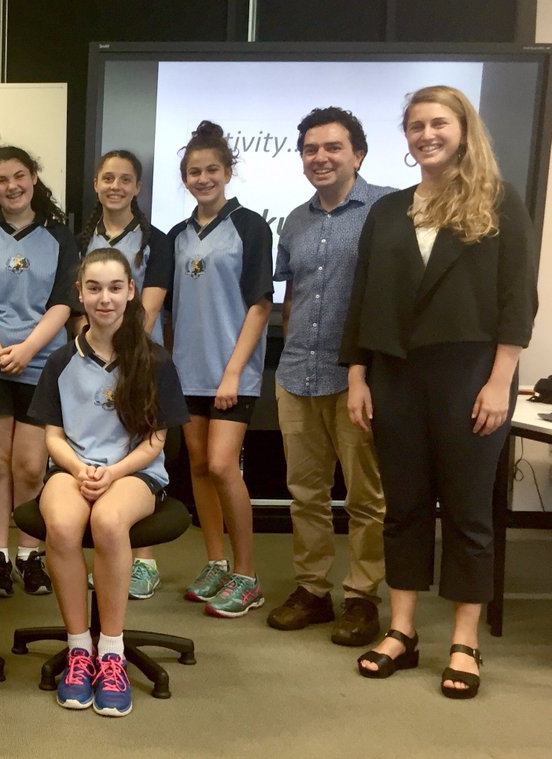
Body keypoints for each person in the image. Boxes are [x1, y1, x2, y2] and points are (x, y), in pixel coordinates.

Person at [342, 85, 538, 699]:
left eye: (438, 123)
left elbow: (518, 300)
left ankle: (464, 639)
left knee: (467, 510)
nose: (426, 135)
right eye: (416, 126)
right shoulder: (387, 210)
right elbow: (363, 298)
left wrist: (501, 381)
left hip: (471, 376)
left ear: (463, 128)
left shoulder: (499, 200)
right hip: (395, 376)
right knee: (402, 507)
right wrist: (357, 375)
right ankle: (401, 631)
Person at [31, 248, 189, 717]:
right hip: (73, 467)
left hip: (133, 471)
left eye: (115, 288)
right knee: (62, 525)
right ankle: (80, 650)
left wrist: (113, 473)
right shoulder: (61, 361)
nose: (105, 298)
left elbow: (155, 441)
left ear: (131, 292)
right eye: (94, 288)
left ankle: (112, 653)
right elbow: (53, 437)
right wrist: (80, 469)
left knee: (107, 521)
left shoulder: (154, 360)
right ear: (79, 294)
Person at [266, 107, 392, 646]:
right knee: (306, 494)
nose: (320, 157)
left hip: (358, 379)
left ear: (357, 154)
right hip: (297, 373)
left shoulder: (387, 209)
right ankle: (313, 590)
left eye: (333, 147)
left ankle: (362, 597)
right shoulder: (295, 220)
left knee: (366, 497)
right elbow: (291, 297)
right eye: (310, 149)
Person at [0, 145, 78, 598]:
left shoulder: (59, 236)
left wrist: (27, 349)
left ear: (34, 177)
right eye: (2, 180)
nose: (12, 186)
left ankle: (29, 553)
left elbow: (64, 301)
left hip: (41, 363)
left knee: (29, 465)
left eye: (19, 176)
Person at [166, 121, 273, 618]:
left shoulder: (250, 226)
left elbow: (260, 305)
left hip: (234, 373)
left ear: (228, 172)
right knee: (197, 467)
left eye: (212, 169)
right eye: (194, 172)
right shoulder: (177, 235)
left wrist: (233, 373)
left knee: (222, 465)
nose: (203, 178)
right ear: (184, 178)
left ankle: (247, 575)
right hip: (188, 372)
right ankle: (216, 562)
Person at [77, 149, 171, 600]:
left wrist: (124, 355)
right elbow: (79, 305)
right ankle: (111, 558)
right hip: (89, 358)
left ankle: (144, 561)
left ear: (137, 187)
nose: (116, 186)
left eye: (125, 179)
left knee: (137, 447)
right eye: (108, 178)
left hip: (136, 360)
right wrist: (91, 352)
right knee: (98, 447)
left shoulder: (157, 240)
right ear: (96, 184)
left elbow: (148, 307)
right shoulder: (81, 239)